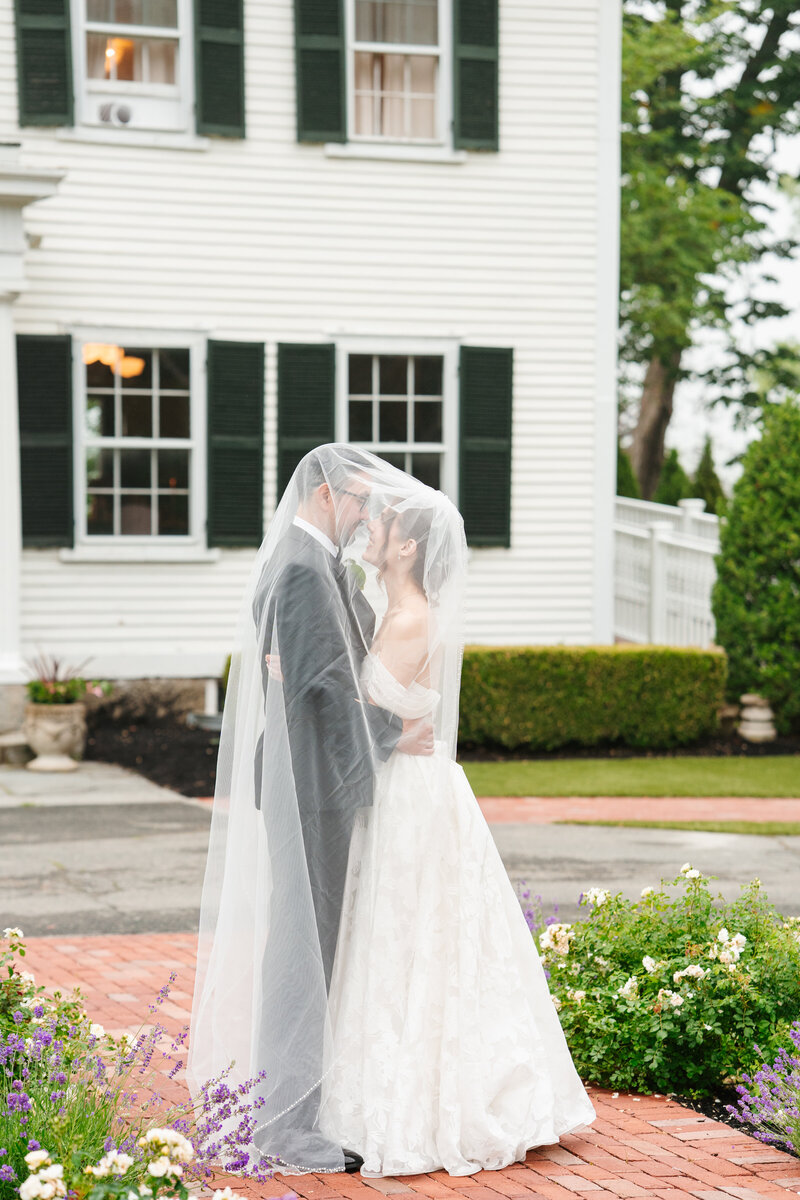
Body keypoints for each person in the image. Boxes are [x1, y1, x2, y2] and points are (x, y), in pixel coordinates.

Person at [317, 490, 597, 1176]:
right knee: (402, 935)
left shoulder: (411, 619)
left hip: (412, 799)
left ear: (406, 547)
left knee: (413, 936)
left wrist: (303, 678)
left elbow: (371, 717)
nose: (370, 528)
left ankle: (425, 1099)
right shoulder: (396, 612)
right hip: (405, 788)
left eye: (381, 524)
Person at [187, 446, 433, 1177]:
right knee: (302, 947)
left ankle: (299, 1102)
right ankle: (287, 1126)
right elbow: (321, 690)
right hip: (312, 786)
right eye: (359, 503)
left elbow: (329, 663)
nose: (366, 519)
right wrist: (395, 734)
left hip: (322, 781)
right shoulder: (299, 566)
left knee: (316, 945)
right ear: (327, 494)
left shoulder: (319, 562)